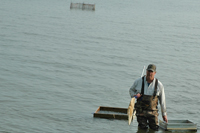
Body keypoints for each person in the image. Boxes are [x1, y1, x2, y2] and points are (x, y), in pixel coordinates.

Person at [129, 64, 168, 131]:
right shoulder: (138, 81)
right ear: (146, 71)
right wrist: (135, 96)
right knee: (142, 129)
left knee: (154, 129)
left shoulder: (159, 85)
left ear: (155, 73)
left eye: (151, 72)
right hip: (141, 112)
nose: (149, 73)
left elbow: (162, 101)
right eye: (148, 71)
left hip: (153, 113)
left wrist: (164, 115)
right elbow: (131, 90)